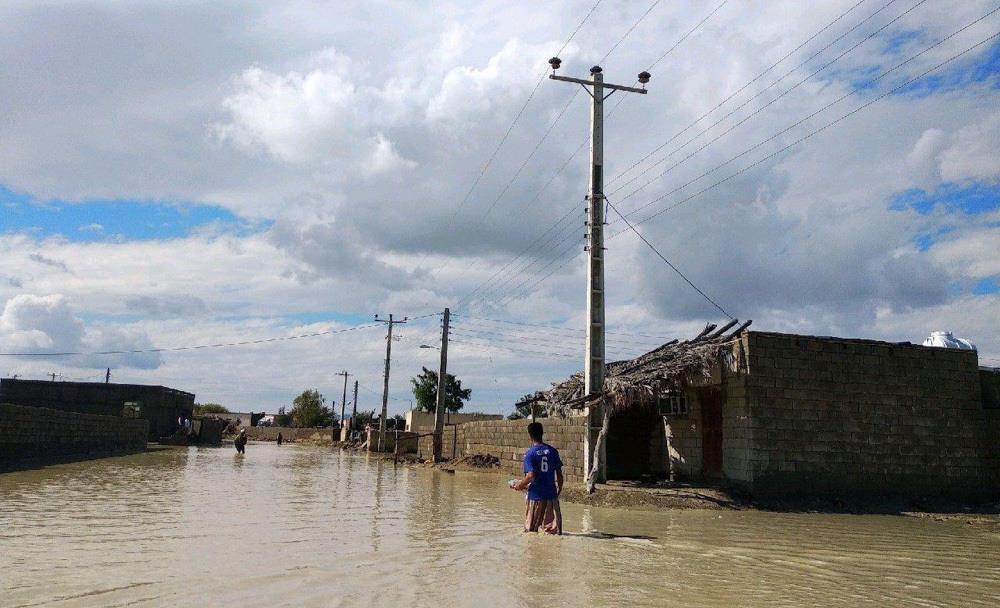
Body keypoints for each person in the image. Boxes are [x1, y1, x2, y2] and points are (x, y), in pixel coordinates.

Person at [510, 422, 563, 535]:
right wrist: (559, 490)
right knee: (552, 532)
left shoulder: (530, 454)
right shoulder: (553, 451)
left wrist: (519, 485)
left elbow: (531, 475)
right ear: (542, 433)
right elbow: (559, 474)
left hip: (536, 497)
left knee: (531, 532)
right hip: (551, 495)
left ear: (530, 435)